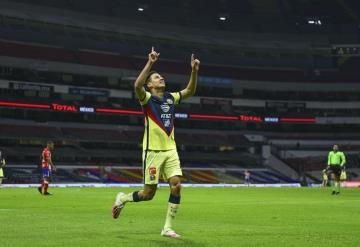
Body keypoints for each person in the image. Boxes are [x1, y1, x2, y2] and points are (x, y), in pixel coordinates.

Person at [112, 47, 200, 238]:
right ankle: (123, 198)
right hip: (152, 152)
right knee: (148, 194)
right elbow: (137, 86)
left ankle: (167, 227)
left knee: (176, 185)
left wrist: (194, 71)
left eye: (161, 77)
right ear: (150, 85)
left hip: (171, 150)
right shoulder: (147, 99)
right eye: (157, 78)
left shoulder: (170, 98)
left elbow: (190, 90)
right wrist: (150, 63)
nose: (161, 79)